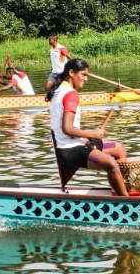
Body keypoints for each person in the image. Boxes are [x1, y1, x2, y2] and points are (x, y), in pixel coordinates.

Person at [47, 58, 128, 196]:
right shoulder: (71, 94)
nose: (86, 79)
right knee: (110, 163)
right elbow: (68, 129)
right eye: (83, 75)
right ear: (71, 73)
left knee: (119, 149)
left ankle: (119, 190)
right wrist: (93, 134)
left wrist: (87, 140)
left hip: (76, 144)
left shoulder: (59, 91)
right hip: (69, 150)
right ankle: (126, 201)